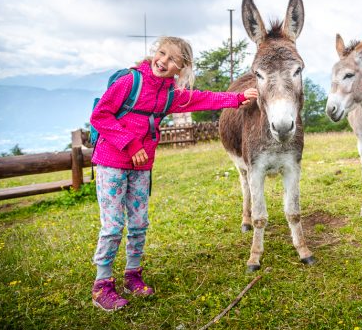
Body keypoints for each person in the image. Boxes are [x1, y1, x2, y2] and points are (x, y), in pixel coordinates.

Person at [90, 36, 258, 312]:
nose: (163, 61)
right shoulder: (130, 82)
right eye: (161, 53)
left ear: (181, 69)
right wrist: (130, 145)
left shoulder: (168, 95)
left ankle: (133, 274)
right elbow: (100, 116)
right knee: (112, 226)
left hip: (141, 167)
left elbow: (203, 99)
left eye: (172, 60)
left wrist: (238, 98)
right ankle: (102, 284)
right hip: (111, 162)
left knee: (139, 223)